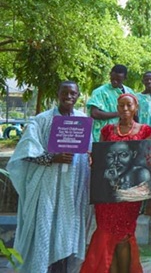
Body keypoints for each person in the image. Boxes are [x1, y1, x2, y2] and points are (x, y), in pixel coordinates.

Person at [7, 81, 91, 273]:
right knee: (45, 227)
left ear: (78, 95)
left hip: (72, 187)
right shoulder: (42, 120)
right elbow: (25, 152)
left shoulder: (82, 120)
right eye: (65, 92)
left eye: (73, 93)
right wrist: (52, 158)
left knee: (67, 230)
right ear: (57, 93)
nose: (68, 96)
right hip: (47, 186)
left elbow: (87, 152)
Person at [81, 93, 151, 273]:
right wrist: (93, 160)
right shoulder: (107, 130)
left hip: (130, 194)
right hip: (107, 193)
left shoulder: (145, 131)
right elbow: (101, 158)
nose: (125, 109)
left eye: (129, 105)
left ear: (136, 107)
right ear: (117, 108)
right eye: (121, 105)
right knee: (105, 233)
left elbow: (149, 160)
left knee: (124, 235)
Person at [87, 64, 133, 142]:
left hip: (124, 136)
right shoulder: (99, 92)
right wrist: (118, 114)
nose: (114, 81)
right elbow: (94, 113)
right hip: (103, 136)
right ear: (110, 75)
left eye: (118, 79)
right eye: (112, 78)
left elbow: (134, 114)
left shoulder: (130, 93)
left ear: (125, 78)